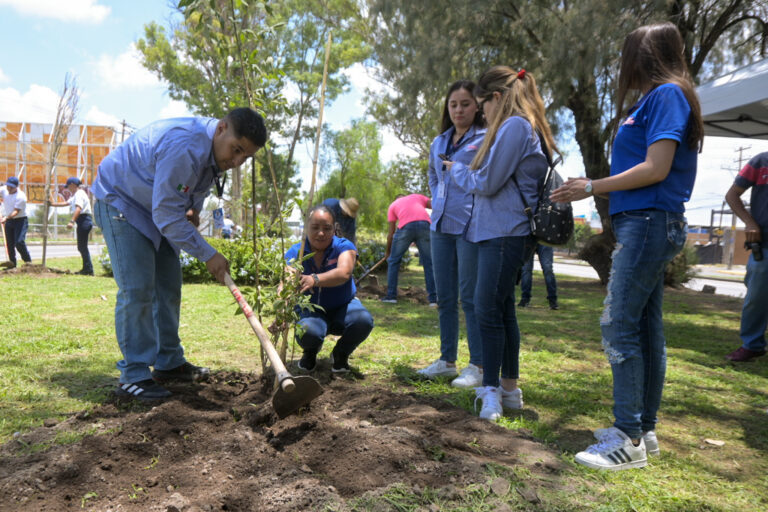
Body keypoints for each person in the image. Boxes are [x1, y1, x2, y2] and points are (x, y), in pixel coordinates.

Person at [551, 22, 703, 470]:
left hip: (650, 222)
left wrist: (592, 185)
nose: (622, 65)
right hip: (644, 222)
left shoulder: (668, 96)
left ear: (646, 55)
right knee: (645, 328)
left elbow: (656, 167)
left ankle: (629, 439)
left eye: (628, 54)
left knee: (618, 325)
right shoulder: (654, 100)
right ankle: (644, 429)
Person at [92, 107, 267, 401]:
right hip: (122, 200)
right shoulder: (186, 145)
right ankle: (133, 376)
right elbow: (166, 214)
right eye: (236, 151)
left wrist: (194, 209)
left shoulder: (214, 153)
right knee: (138, 289)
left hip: (155, 208)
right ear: (221, 128)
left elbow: (191, 190)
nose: (236, 162)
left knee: (169, 286)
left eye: (245, 157)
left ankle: (169, 362)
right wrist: (208, 254)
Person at [448, 66, 556, 421]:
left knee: (487, 310)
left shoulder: (514, 126)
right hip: (503, 231)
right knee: (504, 309)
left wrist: (457, 171)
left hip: (504, 231)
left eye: (483, 105)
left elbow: (489, 181)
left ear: (497, 98)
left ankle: (490, 390)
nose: (482, 113)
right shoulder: (524, 126)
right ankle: (509, 391)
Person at [417, 80, 485, 388]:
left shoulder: (485, 138)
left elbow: (487, 178)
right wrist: (438, 198)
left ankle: (477, 365)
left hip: (470, 226)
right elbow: (433, 174)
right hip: (439, 227)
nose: (458, 109)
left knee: (469, 297)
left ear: (478, 106)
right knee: (445, 297)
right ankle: (446, 360)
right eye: (453, 104)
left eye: (465, 103)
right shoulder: (439, 142)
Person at [285, 205, 374, 373]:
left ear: (334, 229)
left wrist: (314, 279)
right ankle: (310, 352)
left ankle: (340, 354)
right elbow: (287, 282)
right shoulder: (296, 252)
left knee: (363, 321)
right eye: (315, 228)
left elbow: (344, 272)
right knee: (308, 332)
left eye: (327, 228)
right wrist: (282, 310)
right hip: (310, 312)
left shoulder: (344, 246)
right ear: (306, 229)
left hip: (343, 307)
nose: (321, 233)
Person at [724, 151, 768, 362]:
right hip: (764, 244)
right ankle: (753, 344)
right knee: (756, 299)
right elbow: (732, 195)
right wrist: (750, 223)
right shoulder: (761, 162)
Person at [382, 193, 437, 305]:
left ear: (396, 199)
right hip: (425, 225)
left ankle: (391, 296)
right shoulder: (417, 196)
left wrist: (388, 253)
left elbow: (391, 234)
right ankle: (433, 300)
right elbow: (437, 205)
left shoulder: (393, 205)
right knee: (429, 263)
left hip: (406, 227)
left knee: (393, 261)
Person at [49, 177, 94, 275]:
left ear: (73, 185)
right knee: (82, 247)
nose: (67, 189)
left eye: (68, 186)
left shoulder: (79, 194)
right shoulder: (75, 195)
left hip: (84, 220)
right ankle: (87, 269)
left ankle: (88, 269)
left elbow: (78, 208)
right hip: (82, 220)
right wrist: (52, 204)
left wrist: (71, 221)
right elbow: (66, 203)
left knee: (82, 247)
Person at [0, 176, 32, 268]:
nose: (9, 188)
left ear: (16, 187)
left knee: (19, 242)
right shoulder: (4, 190)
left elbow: (16, 212)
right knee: (9, 244)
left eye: (11, 187)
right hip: (9, 221)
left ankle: (28, 262)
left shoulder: (21, 197)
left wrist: (6, 218)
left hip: (20, 220)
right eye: (8, 186)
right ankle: (12, 264)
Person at [518, 243, 558, 309]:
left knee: (547, 268)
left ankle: (552, 299)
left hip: (544, 238)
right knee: (526, 270)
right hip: (529, 237)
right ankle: (524, 299)